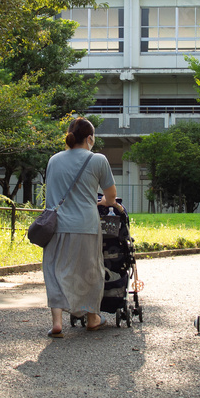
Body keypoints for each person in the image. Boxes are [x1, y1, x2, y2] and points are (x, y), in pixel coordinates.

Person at [42, 117, 123, 337]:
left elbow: (51, 194)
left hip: (56, 225)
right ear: (89, 138)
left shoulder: (54, 160)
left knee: (54, 270)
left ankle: (57, 322)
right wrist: (104, 203)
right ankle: (92, 318)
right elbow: (111, 196)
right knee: (89, 271)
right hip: (86, 225)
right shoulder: (98, 160)